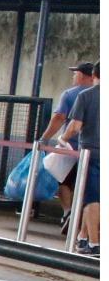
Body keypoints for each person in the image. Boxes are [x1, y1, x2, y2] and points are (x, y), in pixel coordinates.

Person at [40, 61, 97, 225]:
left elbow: (60, 118)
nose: (73, 76)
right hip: (94, 149)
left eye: (75, 73)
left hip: (71, 146)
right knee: (88, 185)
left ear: (83, 75)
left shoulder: (72, 94)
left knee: (62, 179)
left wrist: (46, 138)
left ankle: (68, 212)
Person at [63, 72, 99, 255]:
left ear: (94, 75)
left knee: (93, 198)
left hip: (90, 154)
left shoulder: (85, 95)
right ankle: (83, 238)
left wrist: (63, 138)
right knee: (90, 198)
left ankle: (94, 243)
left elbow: (75, 126)